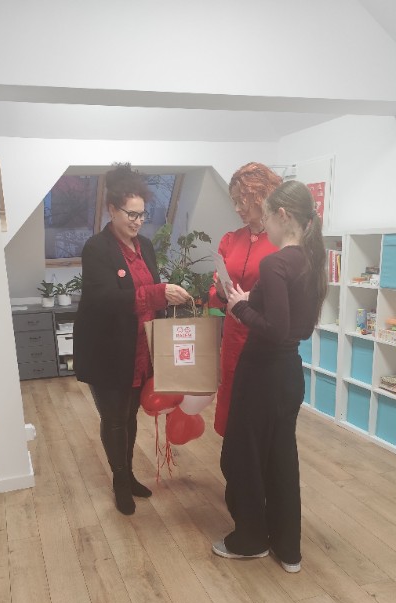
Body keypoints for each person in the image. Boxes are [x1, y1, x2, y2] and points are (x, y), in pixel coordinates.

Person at [211, 180, 327, 567]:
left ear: (281, 215)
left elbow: (275, 329)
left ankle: (250, 540)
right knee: (281, 460)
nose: (263, 226)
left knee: (241, 457)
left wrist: (239, 306)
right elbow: (295, 326)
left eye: (265, 217)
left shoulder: (275, 263)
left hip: (261, 374)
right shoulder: (310, 260)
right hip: (289, 375)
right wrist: (250, 301)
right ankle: (287, 548)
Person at [73, 164, 190, 515]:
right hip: (108, 350)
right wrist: (158, 293)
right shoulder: (96, 248)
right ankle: (120, 480)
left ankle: (129, 474)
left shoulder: (146, 247)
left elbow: (150, 293)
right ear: (112, 210)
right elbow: (104, 299)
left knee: (130, 416)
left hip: (140, 349)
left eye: (143, 215)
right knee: (113, 419)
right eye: (131, 215)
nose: (138, 222)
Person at [209, 163, 282, 436]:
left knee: (260, 407)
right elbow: (215, 295)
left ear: (261, 196)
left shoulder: (282, 242)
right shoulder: (230, 240)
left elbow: (287, 293)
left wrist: (255, 298)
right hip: (233, 335)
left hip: (264, 335)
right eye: (235, 202)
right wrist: (219, 290)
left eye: (243, 201)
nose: (238, 208)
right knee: (231, 398)